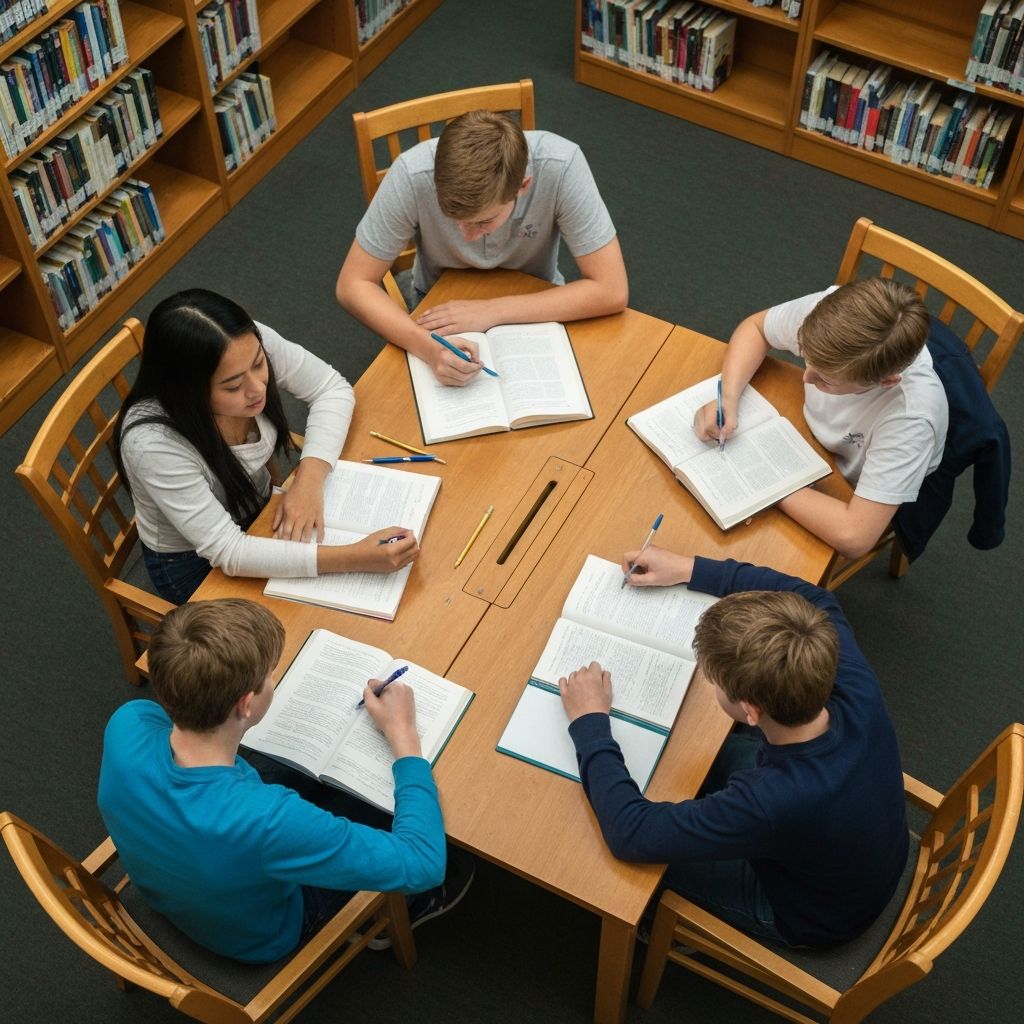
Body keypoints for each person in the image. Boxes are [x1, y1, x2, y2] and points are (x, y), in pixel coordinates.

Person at [558, 547, 908, 949]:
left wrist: (589, 723)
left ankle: (659, 928)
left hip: (810, 911)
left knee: (625, 862)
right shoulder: (846, 674)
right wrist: (690, 568)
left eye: (715, 681)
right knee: (687, 770)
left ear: (751, 711)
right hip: (863, 849)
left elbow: (631, 834)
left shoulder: (772, 798)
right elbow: (817, 597)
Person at [98, 598, 472, 963]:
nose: (274, 679)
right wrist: (404, 736)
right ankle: (411, 908)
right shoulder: (271, 820)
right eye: (270, 675)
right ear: (245, 705)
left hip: (174, 878)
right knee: (399, 817)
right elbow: (423, 862)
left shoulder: (128, 721)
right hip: (263, 934)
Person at [113, 288, 419, 604]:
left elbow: (331, 388)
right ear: (187, 390)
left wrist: (309, 481)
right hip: (194, 562)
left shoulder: (243, 345)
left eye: (260, 365)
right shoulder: (153, 446)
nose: (258, 388)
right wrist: (356, 558)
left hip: (257, 506)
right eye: (233, 386)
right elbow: (228, 551)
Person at [336, 109, 628, 386]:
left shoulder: (562, 164)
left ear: (523, 187)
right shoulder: (413, 173)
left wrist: (493, 311)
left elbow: (612, 290)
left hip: (539, 300)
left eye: (483, 222)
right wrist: (426, 348)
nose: (468, 238)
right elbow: (352, 284)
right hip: (437, 305)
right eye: (454, 220)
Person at [693, 278, 948, 559]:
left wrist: (771, 484)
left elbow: (856, 536)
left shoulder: (912, 418)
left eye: (826, 379)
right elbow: (756, 328)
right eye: (806, 356)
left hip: (850, 490)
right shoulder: (829, 315)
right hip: (806, 437)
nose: (806, 376)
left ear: (886, 382)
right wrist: (728, 395)